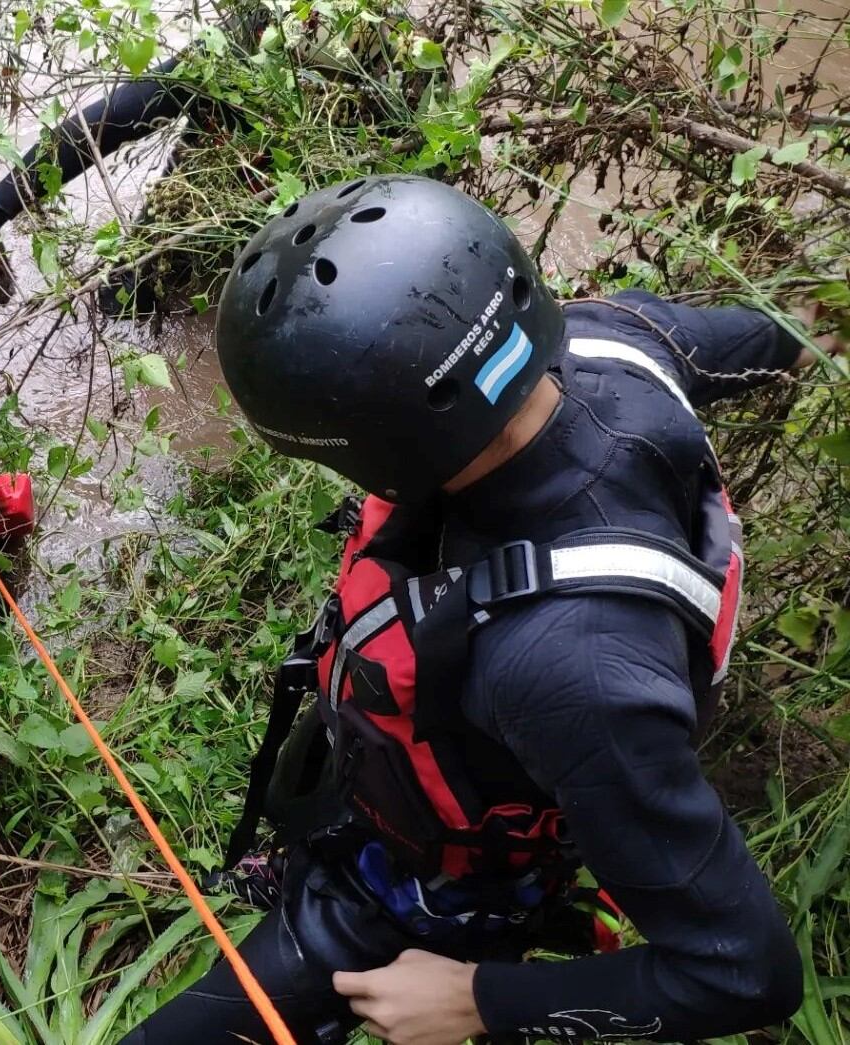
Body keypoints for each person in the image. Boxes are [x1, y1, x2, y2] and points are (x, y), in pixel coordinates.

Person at [116, 174, 819, 1044]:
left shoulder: (567, 671)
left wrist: (476, 999)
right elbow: (779, 336)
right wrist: (813, 327)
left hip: (432, 890)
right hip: (440, 757)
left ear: (375, 448)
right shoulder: (624, 337)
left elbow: (743, 971)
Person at [0, 9, 397, 302]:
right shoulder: (248, 39)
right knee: (124, 299)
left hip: (317, 224)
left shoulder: (398, 77)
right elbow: (113, 118)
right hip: (192, 209)